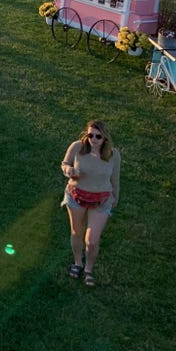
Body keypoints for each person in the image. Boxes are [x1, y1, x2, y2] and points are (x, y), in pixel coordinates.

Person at [61, 120, 120, 287]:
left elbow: (115, 179)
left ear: (105, 138)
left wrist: (115, 197)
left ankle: (88, 269)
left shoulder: (113, 155)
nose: (93, 139)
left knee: (92, 240)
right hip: (76, 195)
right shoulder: (77, 147)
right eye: (90, 135)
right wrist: (69, 171)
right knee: (76, 232)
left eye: (98, 136)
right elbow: (65, 164)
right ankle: (78, 263)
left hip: (101, 199)